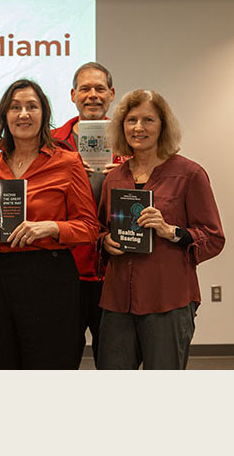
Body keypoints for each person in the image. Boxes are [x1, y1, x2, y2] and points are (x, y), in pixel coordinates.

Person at [0, 79, 99, 369]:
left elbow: (89, 227)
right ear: (5, 116)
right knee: (1, 361)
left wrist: (51, 228)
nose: (23, 114)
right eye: (15, 107)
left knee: (48, 363)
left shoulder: (67, 162)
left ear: (44, 114)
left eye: (32, 106)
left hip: (49, 277)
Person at [97, 89, 225, 370]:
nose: (138, 128)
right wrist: (105, 241)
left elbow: (214, 237)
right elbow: (100, 229)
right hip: (117, 301)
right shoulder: (113, 178)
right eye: (131, 120)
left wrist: (172, 232)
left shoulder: (190, 174)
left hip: (169, 300)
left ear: (163, 126)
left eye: (148, 120)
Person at [51, 61, 123, 367]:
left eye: (99, 88)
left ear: (111, 94)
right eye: (85, 89)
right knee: (62, 356)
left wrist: (127, 175)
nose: (92, 95)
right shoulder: (52, 143)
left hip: (115, 271)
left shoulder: (130, 142)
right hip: (66, 269)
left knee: (115, 360)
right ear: (72, 95)